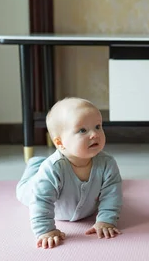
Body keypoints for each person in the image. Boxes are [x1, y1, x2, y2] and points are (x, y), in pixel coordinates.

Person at [16, 97, 123, 249]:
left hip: (81, 208)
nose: (94, 134)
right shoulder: (52, 169)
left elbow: (112, 195)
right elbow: (41, 201)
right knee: (22, 190)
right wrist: (45, 231)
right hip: (32, 190)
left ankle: (37, 162)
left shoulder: (107, 164)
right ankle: (34, 164)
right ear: (60, 143)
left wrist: (106, 220)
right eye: (82, 130)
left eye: (98, 126)